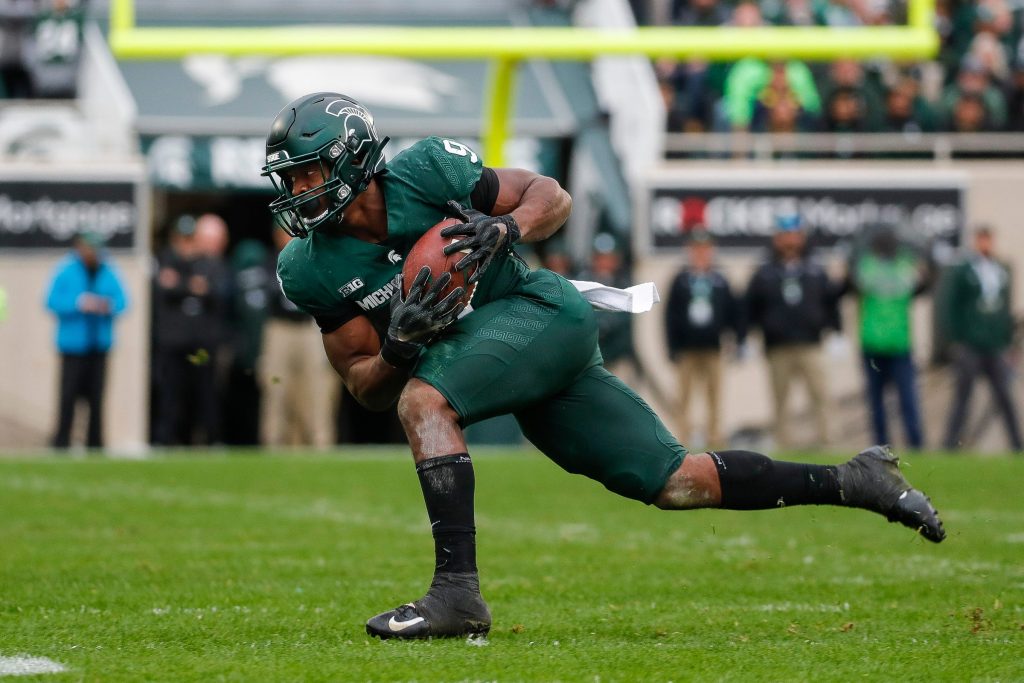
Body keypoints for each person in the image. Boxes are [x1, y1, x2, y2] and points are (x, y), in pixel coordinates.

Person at [263, 92, 944, 641]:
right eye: (290, 179)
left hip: (539, 313)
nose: (297, 190)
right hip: (492, 353)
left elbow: (548, 195)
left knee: (425, 402)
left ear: (353, 159)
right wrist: (400, 345)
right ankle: (856, 480)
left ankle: (456, 593)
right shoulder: (309, 267)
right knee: (677, 482)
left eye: (308, 172)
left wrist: (507, 228)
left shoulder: (424, 172)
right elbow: (364, 383)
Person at [746, 214, 840, 448]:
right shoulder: (765, 271)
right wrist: (746, 337)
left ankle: (827, 441)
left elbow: (830, 302)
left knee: (821, 395)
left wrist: (838, 332)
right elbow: (751, 306)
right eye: (785, 235)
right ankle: (784, 444)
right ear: (777, 238)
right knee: (780, 400)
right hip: (778, 345)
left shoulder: (815, 268)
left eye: (794, 235)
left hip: (811, 343)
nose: (790, 240)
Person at [847, 225, 929, 449]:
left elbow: (924, 282)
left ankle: (914, 445)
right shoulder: (884, 265)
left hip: (897, 345)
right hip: (874, 344)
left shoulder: (888, 264)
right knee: (879, 404)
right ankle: (883, 450)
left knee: (904, 401)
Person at [941, 227, 1022, 452]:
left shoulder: (1000, 270)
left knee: (1004, 396)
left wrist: (1007, 341)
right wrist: (956, 339)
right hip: (971, 344)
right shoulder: (964, 271)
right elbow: (952, 306)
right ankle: (950, 444)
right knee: (963, 396)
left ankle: (1017, 444)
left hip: (994, 345)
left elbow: (1004, 308)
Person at [45, 231, 128, 449]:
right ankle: (62, 442)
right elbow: (51, 301)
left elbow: (122, 302)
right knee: (68, 397)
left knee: (96, 398)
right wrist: (78, 303)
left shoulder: (108, 269)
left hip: (99, 344)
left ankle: (96, 444)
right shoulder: (66, 269)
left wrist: (105, 305)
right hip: (73, 345)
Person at [151, 215, 229, 446]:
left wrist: (180, 285)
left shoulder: (209, 263)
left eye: (190, 239)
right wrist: (191, 286)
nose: (186, 245)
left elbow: (218, 293)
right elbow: (163, 290)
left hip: (201, 342)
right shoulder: (165, 260)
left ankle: (211, 439)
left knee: (205, 395)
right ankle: (167, 440)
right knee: (171, 394)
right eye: (182, 239)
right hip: (174, 341)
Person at [260, 229, 337, 448]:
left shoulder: (315, 258)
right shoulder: (269, 262)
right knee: (276, 387)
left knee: (317, 389)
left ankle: (320, 443)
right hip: (279, 327)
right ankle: (273, 443)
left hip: (310, 326)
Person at [665, 230, 742, 447]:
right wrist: (671, 347)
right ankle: (681, 438)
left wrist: (737, 340)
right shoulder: (680, 280)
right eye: (696, 249)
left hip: (713, 348)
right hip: (687, 349)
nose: (701, 254)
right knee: (683, 397)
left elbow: (733, 311)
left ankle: (715, 437)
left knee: (714, 396)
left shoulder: (720, 279)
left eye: (705, 249)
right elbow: (670, 316)